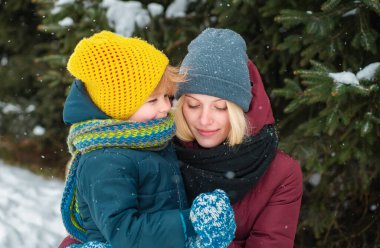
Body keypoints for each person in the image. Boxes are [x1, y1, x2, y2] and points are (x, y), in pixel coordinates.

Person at [59, 30, 236, 248]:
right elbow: (126, 233)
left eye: (167, 96)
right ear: (117, 107)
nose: (166, 107)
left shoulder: (150, 141)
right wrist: (190, 221)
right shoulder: (104, 160)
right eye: (152, 100)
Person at [173, 28, 303, 247]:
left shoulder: (280, 174)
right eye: (193, 105)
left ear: (240, 110)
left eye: (220, 108)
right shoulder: (162, 153)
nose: (204, 120)